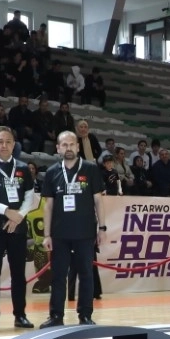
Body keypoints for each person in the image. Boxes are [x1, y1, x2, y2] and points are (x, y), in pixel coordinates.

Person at [0, 126, 40, 330]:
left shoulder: (23, 168)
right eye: (0, 141)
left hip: (17, 228)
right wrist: (6, 211)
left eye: (8, 141)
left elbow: (30, 196)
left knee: (18, 273)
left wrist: (18, 216)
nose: (4, 145)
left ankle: (20, 315)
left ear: (14, 144)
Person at [40, 130, 106, 327]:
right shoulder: (52, 172)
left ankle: (85, 315)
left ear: (78, 147)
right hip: (59, 234)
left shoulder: (90, 169)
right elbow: (48, 205)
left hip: (85, 233)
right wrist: (46, 235)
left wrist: (102, 228)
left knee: (86, 275)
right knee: (58, 276)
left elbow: (98, 201)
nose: (68, 148)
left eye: (72, 144)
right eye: (64, 145)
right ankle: (56, 316)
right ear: (58, 148)